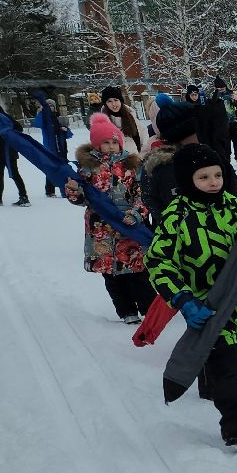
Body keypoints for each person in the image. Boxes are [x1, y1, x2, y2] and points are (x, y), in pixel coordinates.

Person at [145, 144, 237, 454]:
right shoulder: (175, 216)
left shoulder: (233, 205)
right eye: (203, 176)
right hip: (209, 308)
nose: (213, 182)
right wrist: (183, 299)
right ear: (187, 180)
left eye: (217, 174)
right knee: (229, 374)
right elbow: (158, 262)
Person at [65, 113, 154, 323]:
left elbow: (143, 195)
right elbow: (82, 199)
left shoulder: (132, 165)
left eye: (115, 141)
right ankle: (127, 312)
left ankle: (149, 309)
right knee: (112, 275)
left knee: (137, 271)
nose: (112, 146)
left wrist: (136, 214)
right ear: (96, 145)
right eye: (106, 142)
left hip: (128, 228)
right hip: (101, 230)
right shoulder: (87, 168)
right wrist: (74, 192)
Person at [141, 93, 237, 227]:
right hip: (179, 240)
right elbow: (152, 202)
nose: (202, 132)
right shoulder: (159, 167)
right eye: (197, 129)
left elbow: (234, 199)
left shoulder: (213, 159)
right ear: (182, 135)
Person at [31, 91, 71, 196]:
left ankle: (66, 189)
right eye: (48, 106)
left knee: (63, 168)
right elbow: (37, 124)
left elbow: (69, 135)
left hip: (61, 147)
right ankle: (50, 190)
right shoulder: (44, 119)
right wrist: (40, 112)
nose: (50, 108)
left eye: (52, 106)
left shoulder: (59, 118)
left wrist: (65, 130)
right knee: (51, 168)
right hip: (50, 147)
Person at [98, 86, 144, 153]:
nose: (113, 104)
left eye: (116, 100)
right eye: (109, 101)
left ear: (120, 101)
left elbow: (143, 140)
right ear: (106, 104)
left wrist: (141, 157)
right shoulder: (102, 123)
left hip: (134, 159)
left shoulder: (132, 118)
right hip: (113, 161)